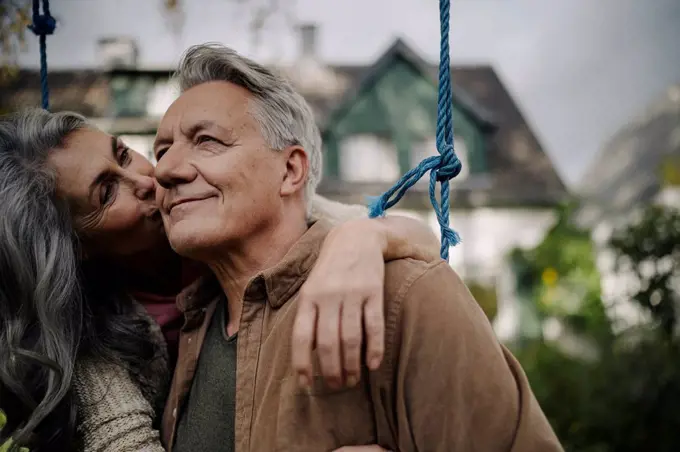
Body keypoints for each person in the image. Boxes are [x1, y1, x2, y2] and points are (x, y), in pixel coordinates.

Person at [156, 43, 564, 452]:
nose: (166, 170)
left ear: (291, 170)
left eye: (206, 141)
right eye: (161, 151)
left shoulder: (406, 294)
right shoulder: (183, 330)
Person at [0, 107, 440, 451]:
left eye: (122, 153)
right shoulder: (90, 344)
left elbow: (420, 240)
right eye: (107, 192)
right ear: (74, 246)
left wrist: (361, 239)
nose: (146, 180)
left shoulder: (216, 208)